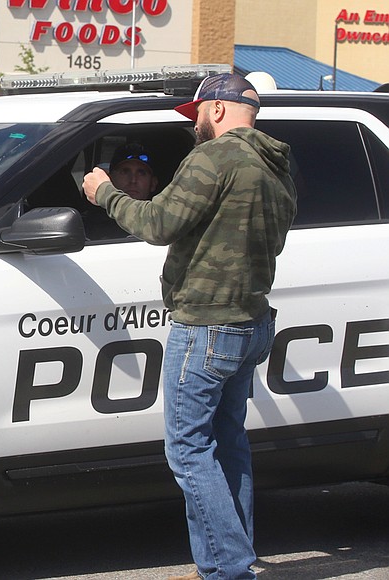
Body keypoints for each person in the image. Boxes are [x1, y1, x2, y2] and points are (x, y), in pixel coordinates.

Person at [81, 73, 297, 580]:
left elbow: (157, 225)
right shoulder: (277, 165)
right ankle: (225, 559)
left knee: (188, 450)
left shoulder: (214, 158)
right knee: (228, 443)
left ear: (218, 110)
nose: (195, 123)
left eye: (197, 113)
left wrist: (104, 193)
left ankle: (228, 569)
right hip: (250, 321)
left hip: (206, 326)